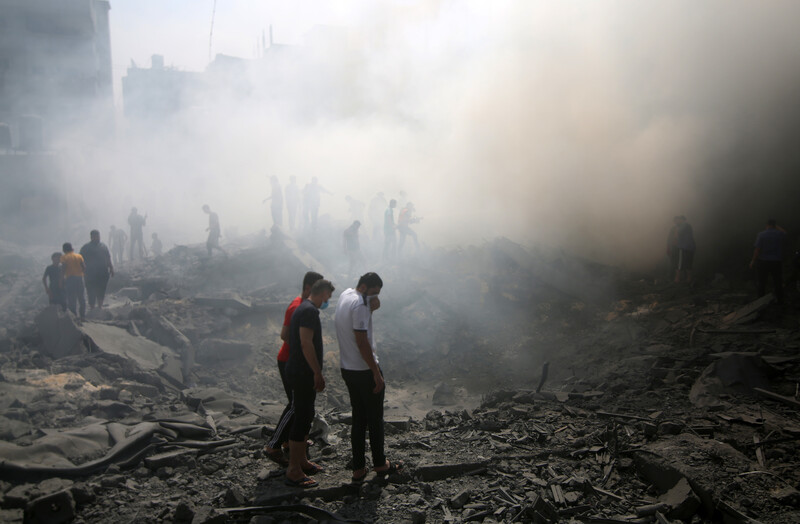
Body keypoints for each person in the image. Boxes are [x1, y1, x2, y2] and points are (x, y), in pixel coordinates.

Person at [335, 272, 403, 483]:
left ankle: (358, 468)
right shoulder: (361, 306)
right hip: (364, 371)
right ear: (364, 288)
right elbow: (362, 342)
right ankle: (380, 464)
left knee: (358, 418)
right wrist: (375, 372)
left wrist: (371, 306)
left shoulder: (346, 295)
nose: (375, 299)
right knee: (374, 419)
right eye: (373, 293)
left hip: (347, 369)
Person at [264, 271, 324, 467]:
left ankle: (292, 442)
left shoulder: (305, 306)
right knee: (295, 405)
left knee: (300, 406)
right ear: (308, 288)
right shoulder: (297, 307)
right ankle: (274, 445)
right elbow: (284, 334)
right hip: (289, 361)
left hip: (297, 363)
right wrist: (301, 352)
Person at [284, 279, 335, 488]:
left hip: (300, 371)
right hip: (302, 372)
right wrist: (317, 372)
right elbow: (306, 344)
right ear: (322, 293)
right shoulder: (309, 311)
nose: (328, 302)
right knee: (302, 417)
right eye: (328, 297)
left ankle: (302, 461)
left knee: (305, 415)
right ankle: (294, 469)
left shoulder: (305, 308)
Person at [750, 219, 787, 304]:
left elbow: (757, 249)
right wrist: (776, 226)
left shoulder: (761, 234)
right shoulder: (779, 234)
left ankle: (760, 301)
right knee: (777, 282)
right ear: (774, 225)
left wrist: (752, 261)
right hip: (776, 261)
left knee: (761, 282)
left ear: (766, 225)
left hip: (763, 261)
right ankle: (780, 301)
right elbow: (785, 232)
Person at [80, 230, 114, 309]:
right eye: (96, 236)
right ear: (91, 237)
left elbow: (108, 258)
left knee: (101, 289)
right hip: (90, 273)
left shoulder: (103, 246)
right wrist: (82, 270)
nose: (98, 238)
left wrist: (111, 268)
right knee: (90, 290)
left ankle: (100, 306)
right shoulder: (86, 248)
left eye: (98, 236)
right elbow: (80, 260)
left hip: (103, 272)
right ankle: (92, 307)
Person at [60, 242, 86, 320]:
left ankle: (74, 315)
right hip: (79, 278)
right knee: (81, 297)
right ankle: (82, 315)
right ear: (72, 248)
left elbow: (63, 269)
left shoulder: (64, 257)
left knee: (72, 298)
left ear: (64, 250)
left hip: (70, 279)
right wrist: (81, 274)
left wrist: (61, 280)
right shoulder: (79, 256)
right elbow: (84, 267)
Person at [673, 215, 695, 283]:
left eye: (678, 220)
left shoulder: (683, 226)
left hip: (683, 247)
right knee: (688, 262)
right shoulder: (688, 226)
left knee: (679, 263)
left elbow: (676, 235)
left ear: (682, 220)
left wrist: (676, 228)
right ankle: (688, 279)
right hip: (690, 247)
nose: (676, 222)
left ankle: (677, 279)